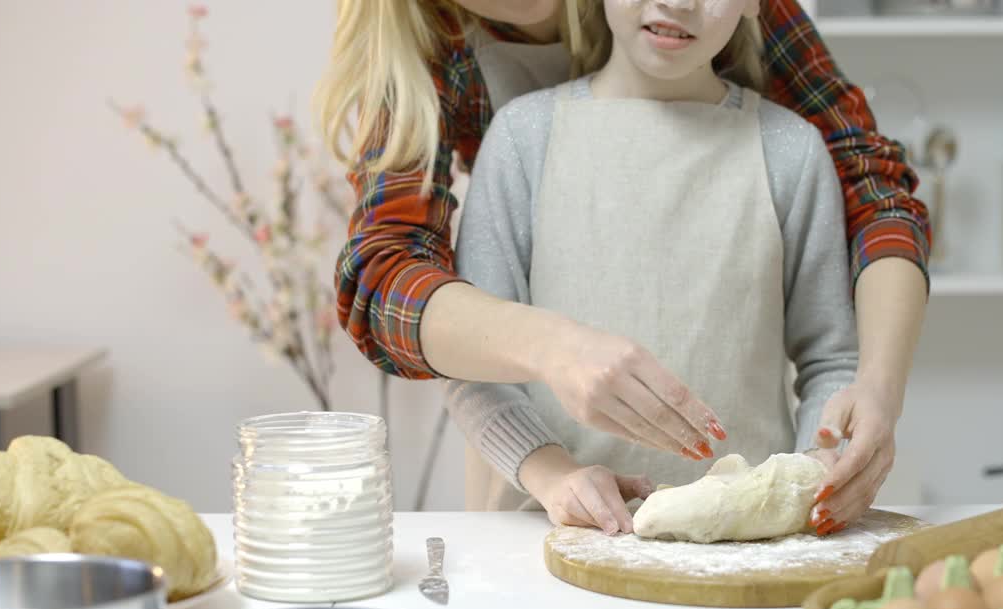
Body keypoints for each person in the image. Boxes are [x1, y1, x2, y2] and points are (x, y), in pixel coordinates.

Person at [314, 0, 929, 534]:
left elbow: (867, 198)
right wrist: (551, 402)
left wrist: (867, 401)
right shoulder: (513, 126)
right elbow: (389, 276)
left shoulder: (789, 149)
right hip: (547, 524)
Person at [447, 0, 863, 536]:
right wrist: (553, 476)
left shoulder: (791, 152)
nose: (679, 2)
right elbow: (472, 364)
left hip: (746, 550)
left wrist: (817, 464)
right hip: (546, 539)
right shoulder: (523, 137)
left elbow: (831, 358)